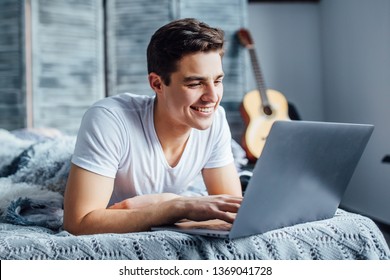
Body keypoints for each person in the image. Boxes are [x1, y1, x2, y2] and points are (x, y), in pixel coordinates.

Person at [63, 18, 242, 235]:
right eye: (195, 83)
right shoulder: (109, 118)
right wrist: (175, 205)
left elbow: (232, 215)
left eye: (217, 81)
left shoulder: (216, 119)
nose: (212, 97)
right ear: (157, 84)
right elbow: (78, 223)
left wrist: (166, 205)